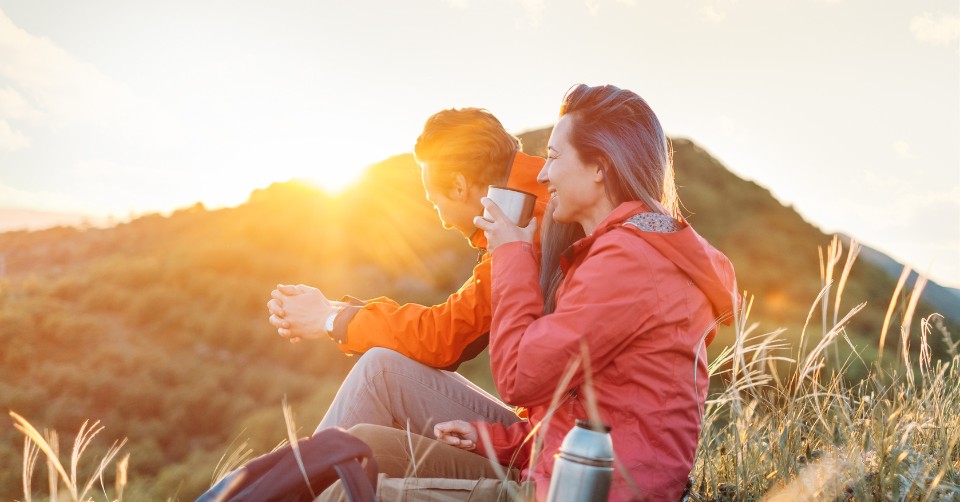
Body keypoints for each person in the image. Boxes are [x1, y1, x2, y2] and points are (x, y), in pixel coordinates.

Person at [319, 84, 738, 501]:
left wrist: (512, 253)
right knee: (360, 445)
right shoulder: (620, 250)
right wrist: (490, 438)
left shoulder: (628, 261)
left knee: (344, 492)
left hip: (576, 491)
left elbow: (519, 377)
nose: (541, 172)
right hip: (555, 464)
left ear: (600, 167)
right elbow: (587, 407)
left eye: (553, 158)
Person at [266, 108, 549, 438]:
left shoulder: (530, 224)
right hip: (546, 427)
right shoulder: (538, 200)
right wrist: (335, 311)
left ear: (459, 186)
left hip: (546, 440)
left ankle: (296, 483)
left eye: (434, 201)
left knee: (380, 371)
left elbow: (443, 337)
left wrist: (331, 321)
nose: (442, 219)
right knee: (381, 371)